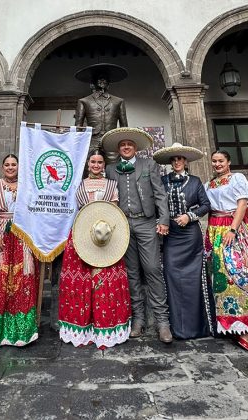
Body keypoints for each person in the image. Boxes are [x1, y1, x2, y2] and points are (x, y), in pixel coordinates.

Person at [103, 127, 172, 343]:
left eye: (130, 145)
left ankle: (162, 322)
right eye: (123, 145)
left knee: (152, 269)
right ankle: (138, 320)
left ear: (135, 148)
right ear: (118, 148)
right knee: (131, 272)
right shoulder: (111, 169)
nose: (126, 147)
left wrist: (163, 220)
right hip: (122, 224)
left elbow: (160, 194)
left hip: (146, 222)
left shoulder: (148, 165)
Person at [58, 149, 131, 348]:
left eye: (100, 162)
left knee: (105, 280)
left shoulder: (111, 185)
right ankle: (80, 328)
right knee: (80, 281)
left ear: (104, 165)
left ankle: (106, 327)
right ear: (88, 164)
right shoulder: (78, 185)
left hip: (105, 238)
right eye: (93, 162)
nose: (96, 165)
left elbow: (114, 211)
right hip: (81, 235)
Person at [204, 150, 248, 351]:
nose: (217, 164)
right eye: (214, 161)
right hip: (215, 228)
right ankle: (232, 323)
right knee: (223, 279)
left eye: (221, 161)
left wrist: (233, 229)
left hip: (234, 228)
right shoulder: (209, 184)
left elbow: (242, 204)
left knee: (243, 272)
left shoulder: (237, 178)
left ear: (228, 162)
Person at [0, 154, 39, 347]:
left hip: (21, 235)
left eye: (14, 165)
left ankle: (21, 333)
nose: (10, 167)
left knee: (22, 280)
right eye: (7, 165)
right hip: (1, 234)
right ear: (2, 167)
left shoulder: (27, 186)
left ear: (19, 167)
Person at [153, 143, 213, 339]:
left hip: (190, 236)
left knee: (193, 279)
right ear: (170, 163)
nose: (177, 161)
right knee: (171, 275)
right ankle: (176, 328)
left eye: (180, 158)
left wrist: (189, 216)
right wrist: (161, 222)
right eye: (173, 159)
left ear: (185, 161)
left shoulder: (195, 182)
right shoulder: (162, 181)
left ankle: (198, 327)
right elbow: (155, 204)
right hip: (171, 235)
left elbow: (205, 205)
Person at [74, 63, 128, 152]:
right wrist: (78, 145)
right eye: (99, 78)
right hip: (92, 141)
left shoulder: (119, 101)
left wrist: (124, 144)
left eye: (105, 78)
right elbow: (78, 127)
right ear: (94, 81)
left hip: (112, 141)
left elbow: (124, 127)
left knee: (113, 165)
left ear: (109, 82)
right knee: (91, 165)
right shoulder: (84, 101)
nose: (102, 80)